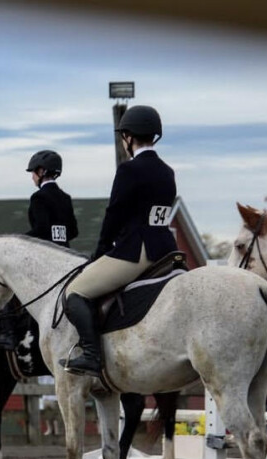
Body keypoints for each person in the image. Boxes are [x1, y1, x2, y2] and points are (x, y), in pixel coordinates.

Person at [59, 105, 178, 377]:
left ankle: (91, 356)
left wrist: (100, 252)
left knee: (74, 293)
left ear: (128, 136)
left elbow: (114, 214)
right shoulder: (168, 172)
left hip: (137, 251)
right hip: (166, 249)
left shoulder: (129, 170)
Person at [0, 150, 79, 350]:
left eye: (33, 173)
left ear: (41, 171)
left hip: (45, 260)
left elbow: (41, 230)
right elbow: (73, 230)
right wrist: (59, 236)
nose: (32, 177)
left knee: (9, 283)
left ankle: (8, 333)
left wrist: (15, 240)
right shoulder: (65, 198)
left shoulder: (38, 198)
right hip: (66, 258)